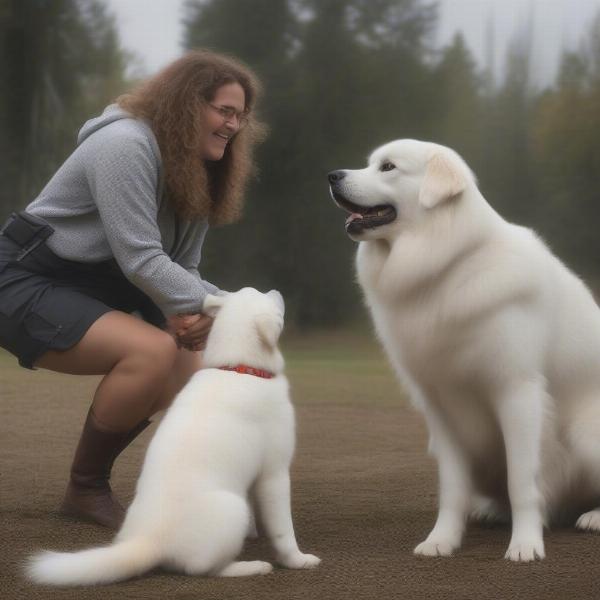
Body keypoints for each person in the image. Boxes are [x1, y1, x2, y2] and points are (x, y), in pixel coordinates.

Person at [0, 50, 266, 529]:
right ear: (187, 104)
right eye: (224, 111)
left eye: (241, 115)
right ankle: (86, 488)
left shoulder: (199, 168)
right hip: (27, 276)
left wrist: (224, 311)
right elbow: (141, 258)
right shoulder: (124, 143)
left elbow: (183, 266)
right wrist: (222, 307)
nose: (234, 124)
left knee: (197, 364)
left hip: (105, 281)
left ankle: (199, 497)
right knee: (153, 351)